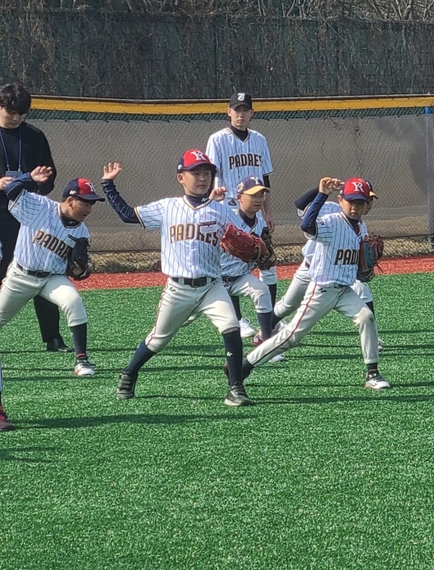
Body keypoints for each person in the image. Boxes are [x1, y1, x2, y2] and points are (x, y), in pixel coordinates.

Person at [101, 150, 252, 406]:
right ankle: (129, 372)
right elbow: (128, 214)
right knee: (158, 340)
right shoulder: (167, 207)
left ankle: (235, 388)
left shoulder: (220, 210)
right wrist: (108, 185)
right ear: (181, 177)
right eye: (196, 173)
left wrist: (256, 247)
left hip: (211, 286)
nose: (203, 178)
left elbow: (245, 238)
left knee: (232, 327)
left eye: (207, 173)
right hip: (178, 289)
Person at [241, 177, 389, 390]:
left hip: (344, 290)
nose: (355, 207)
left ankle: (372, 373)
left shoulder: (361, 228)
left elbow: (355, 264)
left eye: (360, 203)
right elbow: (308, 226)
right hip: (321, 289)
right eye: (351, 202)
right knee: (292, 336)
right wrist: (321, 195)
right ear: (341, 200)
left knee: (366, 317)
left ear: (367, 205)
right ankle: (246, 365)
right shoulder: (332, 222)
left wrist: (361, 269)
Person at [0, 172, 101, 431]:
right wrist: (28, 177)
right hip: (21, 276)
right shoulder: (39, 206)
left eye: (91, 203)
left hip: (52, 278)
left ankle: (81, 360)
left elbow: (77, 268)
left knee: (73, 300)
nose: (89, 208)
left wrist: (80, 270)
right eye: (85, 202)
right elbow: (11, 192)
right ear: (69, 199)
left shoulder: (82, 230)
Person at [0, 83, 68, 352]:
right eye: (11, 112)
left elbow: (50, 177)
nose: (16, 118)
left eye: (21, 113)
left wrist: (36, 183)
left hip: (28, 217)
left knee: (41, 270)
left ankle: (52, 337)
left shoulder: (34, 136)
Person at [206, 92, 276, 336]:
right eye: (237, 109)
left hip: (254, 211)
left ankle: (272, 319)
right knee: (230, 265)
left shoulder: (259, 139)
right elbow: (212, 174)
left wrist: (268, 212)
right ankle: (237, 319)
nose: (241, 114)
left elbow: (266, 179)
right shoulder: (217, 140)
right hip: (228, 210)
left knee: (268, 263)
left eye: (245, 110)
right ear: (228, 111)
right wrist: (215, 200)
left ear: (252, 113)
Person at [216, 177, 273, 340]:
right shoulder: (225, 218)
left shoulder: (261, 224)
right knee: (182, 319)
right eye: (253, 195)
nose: (258, 199)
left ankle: (266, 343)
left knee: (261, 291)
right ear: (239, 197)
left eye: (261, 195)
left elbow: (265, 258)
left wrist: (264, 255)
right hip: (214, 281)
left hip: (239, 278)